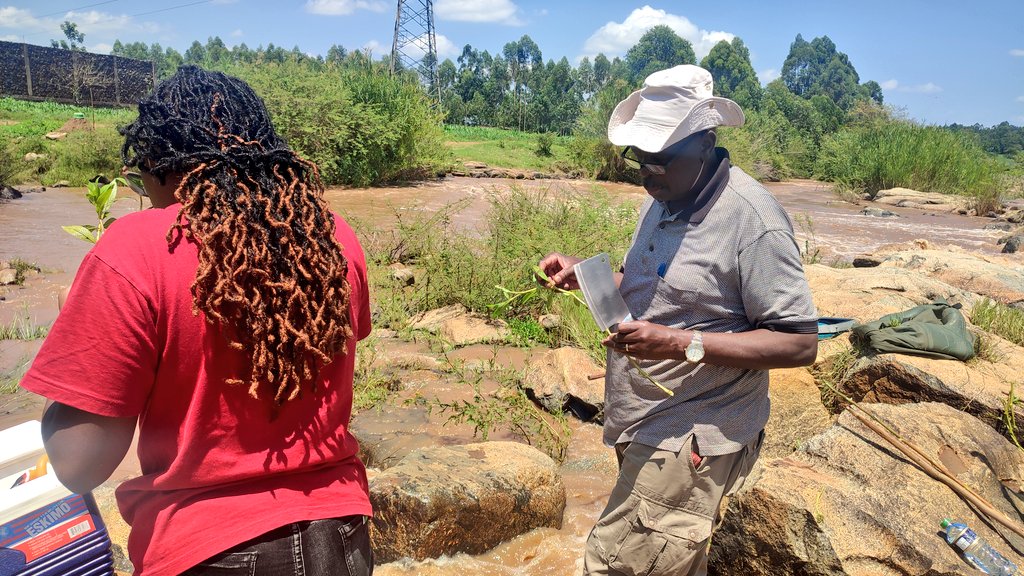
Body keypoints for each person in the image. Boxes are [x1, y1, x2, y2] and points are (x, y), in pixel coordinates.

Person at [21, 65, 374, 576]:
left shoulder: (134, 248)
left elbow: (79, 464)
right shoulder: (332, 238)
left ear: (162, 166)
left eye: (140, 173)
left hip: (210, 550)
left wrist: (76, 353)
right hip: (343, 535)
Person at [538, 64, 818, 576]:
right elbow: (652, 286)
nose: (648, 171)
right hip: (641, 420)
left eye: (662, 158)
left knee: (612, 566)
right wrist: (587, 275)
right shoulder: (666, 197)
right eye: (639, 158)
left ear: (706, 142)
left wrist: (677, 343)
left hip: (693, 435)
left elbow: (799, 343)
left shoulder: (752, 222)